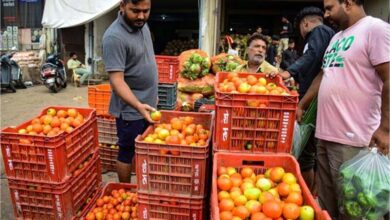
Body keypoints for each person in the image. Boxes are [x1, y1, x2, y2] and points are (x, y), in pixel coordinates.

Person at [297, 0, 389, 218]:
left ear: (347, 3)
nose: (326, 15)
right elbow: (324, 74)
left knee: (353, 209)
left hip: (354, 139)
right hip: (326, 135)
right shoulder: (337, 38)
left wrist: (385, 128)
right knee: (328, 205)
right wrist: (302, 104)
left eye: (329, 8)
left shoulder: (375, 29)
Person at [277, 6, 335, 194]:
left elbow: (312, 55)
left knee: (306, 154)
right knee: (314, 153)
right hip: (317, 98)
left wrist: (289, 71)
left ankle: (306, 195)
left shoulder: (318, 32)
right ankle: (313, 193)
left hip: (312, 101)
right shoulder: (329, 34)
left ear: (306, 24)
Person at [102, 0, 158, 183]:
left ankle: (143, 187)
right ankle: (125, 189)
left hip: (148, 104)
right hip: (131, 109)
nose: (141, 16)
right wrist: (138, 105)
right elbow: (117, 81)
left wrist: (152, 94)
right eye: (135, 11)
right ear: (122, 6)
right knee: (127, 151)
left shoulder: (142, 24)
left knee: (147, 147)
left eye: (146, 11)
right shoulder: (114, 37)